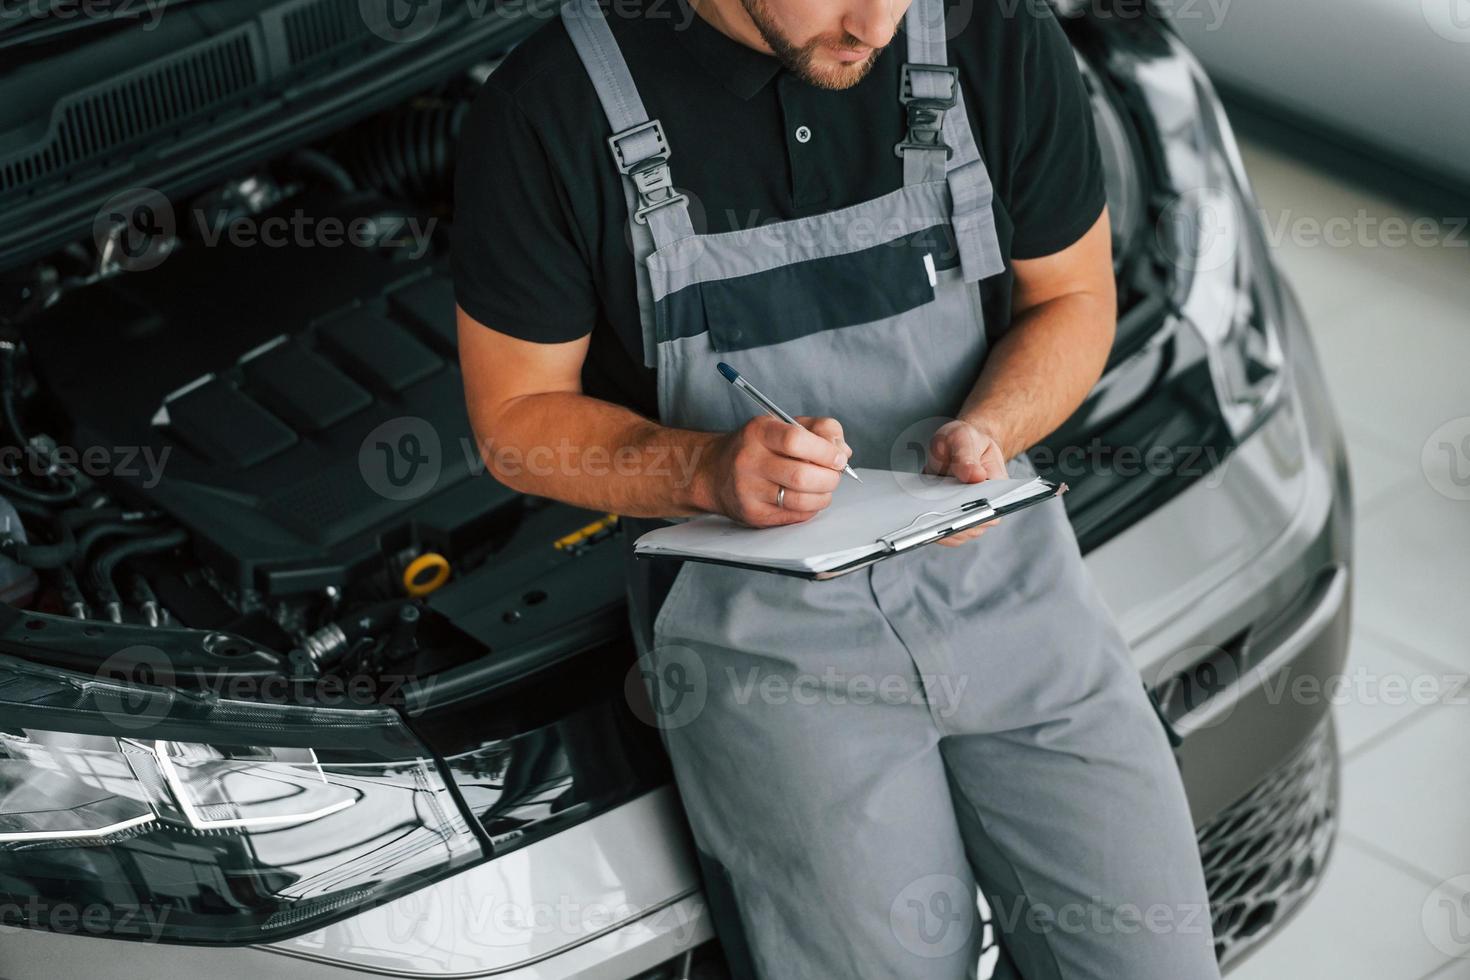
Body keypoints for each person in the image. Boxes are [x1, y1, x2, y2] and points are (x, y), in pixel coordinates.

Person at [453, 0, 1223, 975]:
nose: (876, 24)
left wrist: (991, 425)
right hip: (773, 657)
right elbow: (517, 422)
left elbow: (1074, 295)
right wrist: (706, 468)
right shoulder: (552, 104)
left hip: (1010, 590)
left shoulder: (994, 35)